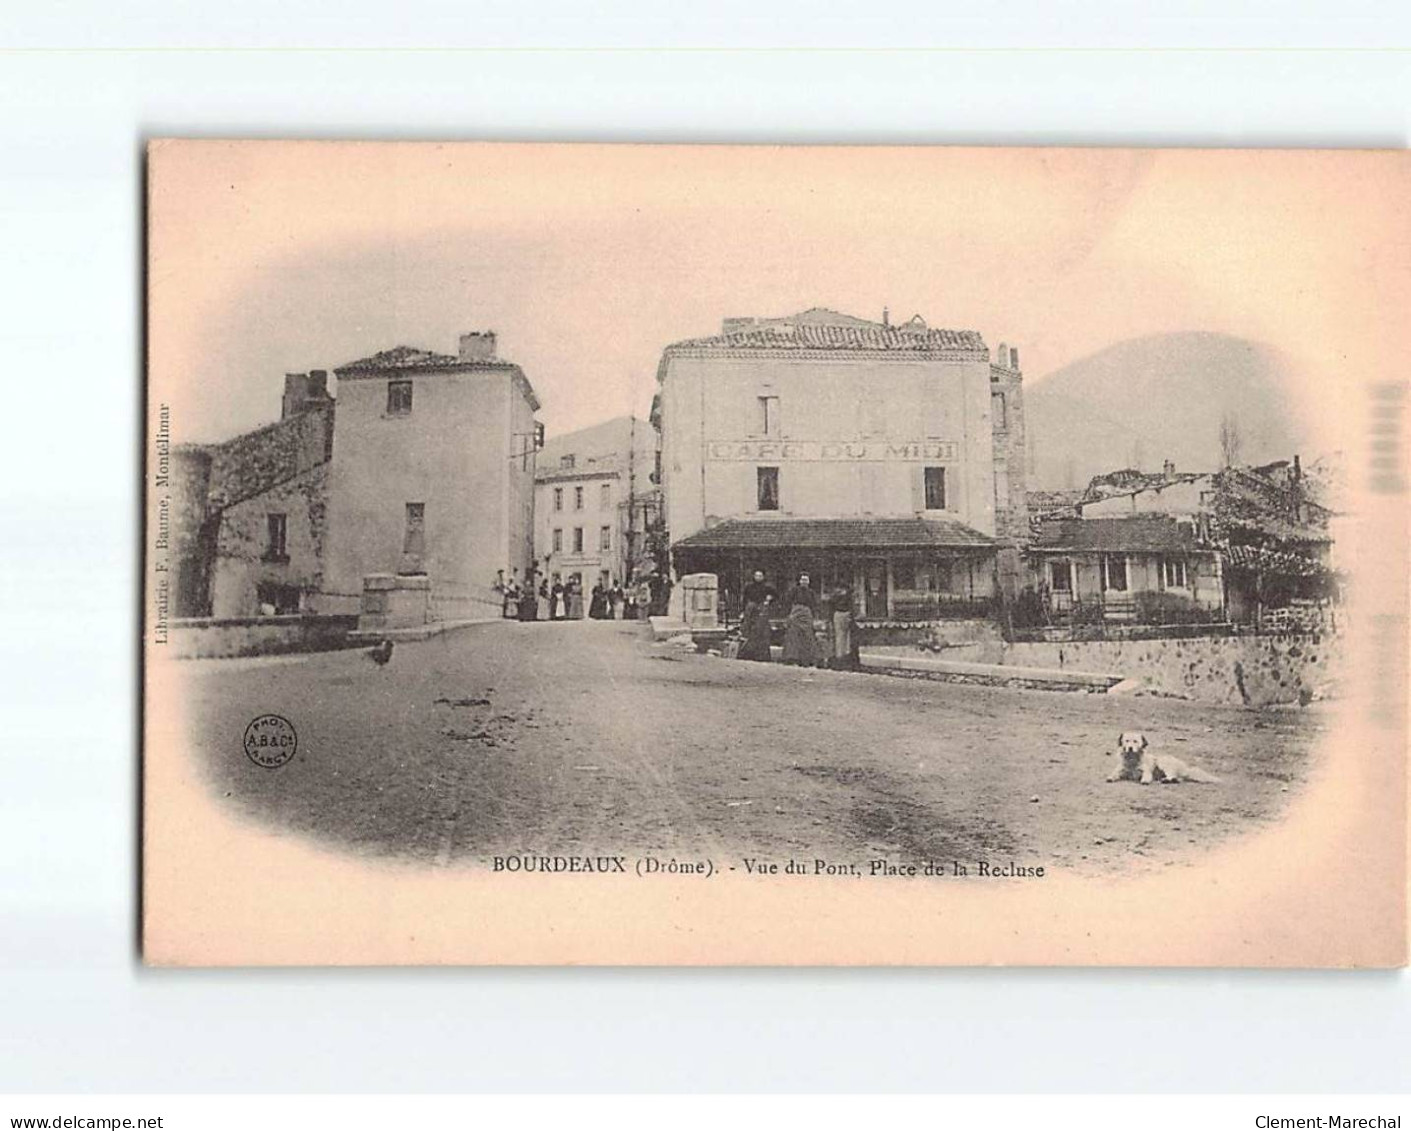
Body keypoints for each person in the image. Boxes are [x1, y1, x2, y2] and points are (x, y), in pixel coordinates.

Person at [780, 572, 822, 667]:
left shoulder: (811, 593)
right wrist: (788, 614)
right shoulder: (794, 591)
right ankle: (793, 658)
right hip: (796, 613)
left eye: (806, 580)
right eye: (802, 580)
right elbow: (787, 602)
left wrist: (815, 616)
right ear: (799, 581)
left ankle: (807, 659)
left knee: (807, 636)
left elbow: (815, 605)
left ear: (809, 581)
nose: (804, 582)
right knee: (794, 635)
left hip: (807, 614)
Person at [737, 569, 775, 662]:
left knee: (761, 632)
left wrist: (769, 599)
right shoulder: (749, 587)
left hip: (762, 611)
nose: (758, 578)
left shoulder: (767, 588)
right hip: (750, 611)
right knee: (749, 631)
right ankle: (747, 654)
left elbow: (775, 597)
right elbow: (744, 600)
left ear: (763, 577)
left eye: (760, 576)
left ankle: (762, 656)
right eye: (756, 576)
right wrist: (742, 612)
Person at [827, 584, 859, 670]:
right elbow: (851, 607)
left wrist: (830, 618)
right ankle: (842, 656)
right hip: (843, 614)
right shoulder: (847, 596)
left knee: (840, 636)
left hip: (838, 615)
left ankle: (840, 656)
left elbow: (831, 607)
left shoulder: (835, 596)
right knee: (843, 637)